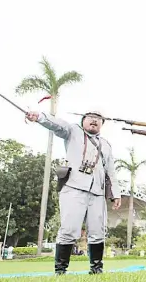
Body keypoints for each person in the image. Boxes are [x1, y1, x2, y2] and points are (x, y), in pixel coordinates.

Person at [24, 110, 122, 275]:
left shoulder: (106, 144)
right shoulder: (73, 132)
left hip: (97, 192)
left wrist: (116, 193)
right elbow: (56, 124)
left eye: (98, 119)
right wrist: (39, 117)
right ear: (83, 120)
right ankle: (60, 270)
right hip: (74, 188)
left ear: (102, 124)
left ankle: (96, 269)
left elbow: (110, 171)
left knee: (98, 232)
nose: (94, 121)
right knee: (69, 229)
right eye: (90, 118)